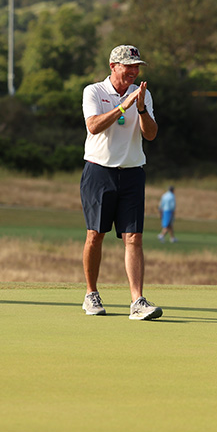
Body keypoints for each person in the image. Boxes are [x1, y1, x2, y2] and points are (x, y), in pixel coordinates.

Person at [79, 44, 161, 320]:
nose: (134, 71)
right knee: (95, 235)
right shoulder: (94, 91)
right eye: (128, 66)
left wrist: (141, 110)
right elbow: (93, 126)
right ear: (113, 66)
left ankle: (137, 301)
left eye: (136, 67)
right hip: (99, 171)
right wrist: (121, 107)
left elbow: (150, 135)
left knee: (134, 238)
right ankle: (91, 294)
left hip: (132, 172)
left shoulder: (143, 94)